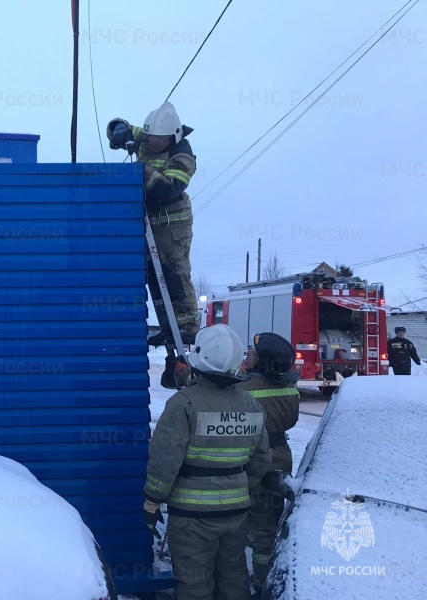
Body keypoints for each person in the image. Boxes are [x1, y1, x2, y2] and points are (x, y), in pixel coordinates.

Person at [143, 324, 272, 600]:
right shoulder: (251, 405)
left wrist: (152, 500)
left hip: (192, 518)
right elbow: (261, 461)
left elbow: (165, 460)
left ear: (198, 359)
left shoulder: (184, 404)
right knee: (234, 577)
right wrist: (238, 487)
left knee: (195, 585)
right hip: (236, 514)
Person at [106, 102, 199, 344]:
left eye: (157, 139)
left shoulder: (182, 155)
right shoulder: (149, 136)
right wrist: (118, 129)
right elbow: (123, 126)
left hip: (172, 225)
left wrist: (142, 170)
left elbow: (168, 189)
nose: (151, 142)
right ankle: (168, 326)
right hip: (149, 223)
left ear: (173, 136)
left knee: (175, 274)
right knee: (155, 278)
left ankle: (188, 327)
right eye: (149, 136)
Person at [238, 332, 300, 595]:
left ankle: (265, 586)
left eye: (252, 353)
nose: (247, 356)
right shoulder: (289, 387)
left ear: (262, 362)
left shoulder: (244, 389)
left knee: (261, 530)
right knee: (271, 520)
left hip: (255, 462)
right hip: (281, 458)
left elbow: (208, 391)